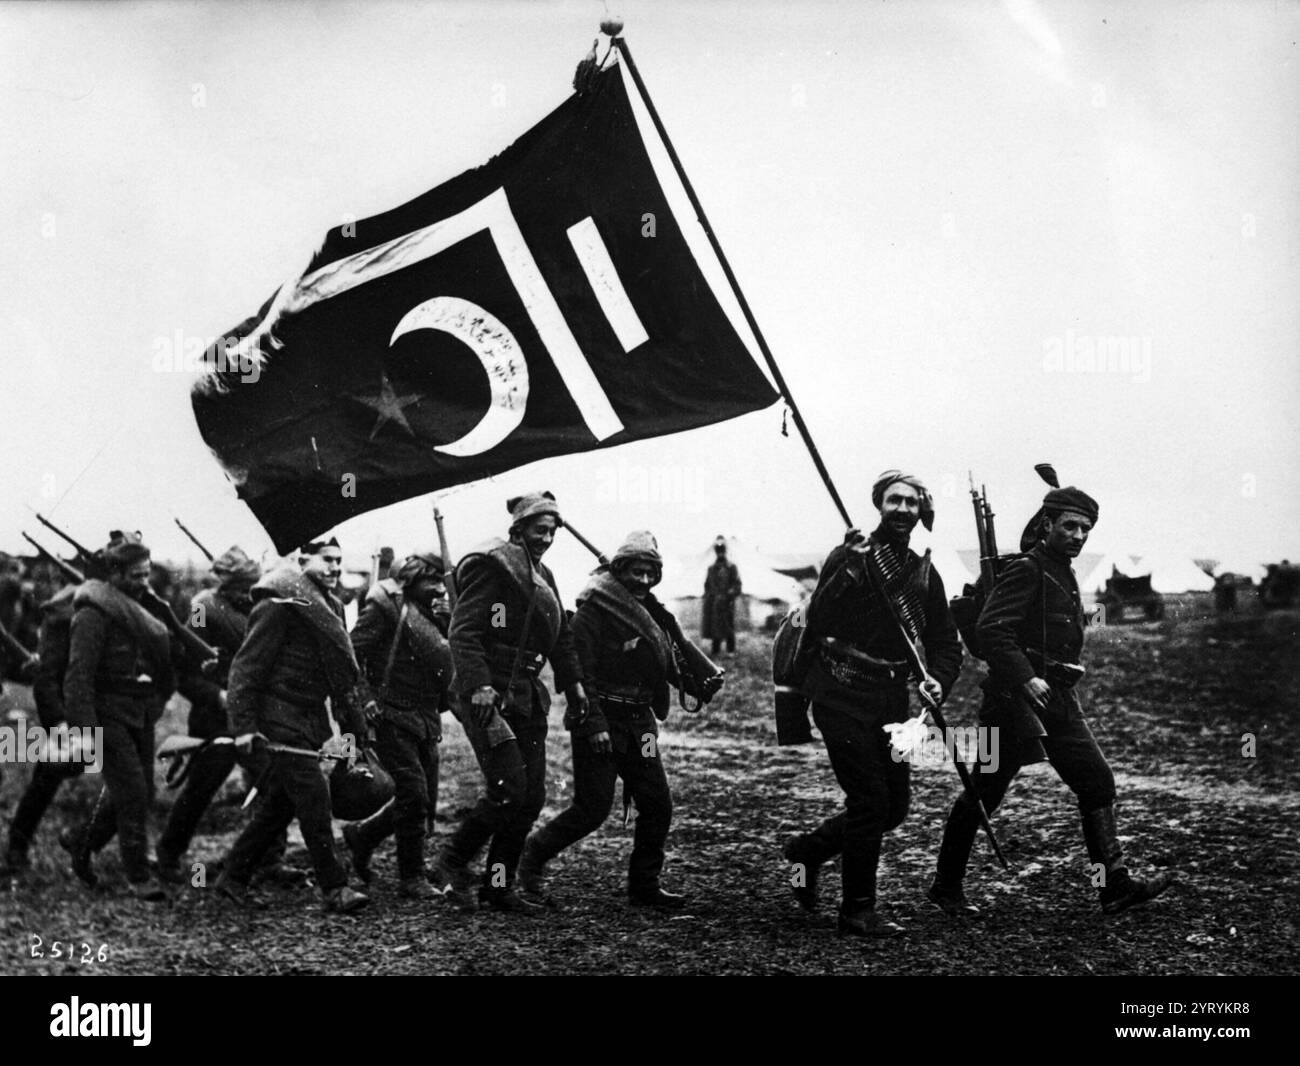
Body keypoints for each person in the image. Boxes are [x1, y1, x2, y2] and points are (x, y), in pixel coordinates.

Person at [928, 486, 1174, 917]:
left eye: (1085, 528)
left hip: (1058, 700)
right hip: (1010, 704)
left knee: (1096, 782)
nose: (1079, 535)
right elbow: (991, 631)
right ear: (1047, 525)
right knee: (984, 792)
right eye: (1070, 526)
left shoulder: (1061, 569)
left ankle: (1112, 885)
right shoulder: (1029, 569)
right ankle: (945, 887)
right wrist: (1025, 679)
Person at [783, 471, 962, 938]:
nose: (903, 509)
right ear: (879, 505)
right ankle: (857, 909)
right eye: (894, 500)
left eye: (912, 503)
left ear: (922, 511)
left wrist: (939, 680)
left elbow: (945, 641)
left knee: (894, 808)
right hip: (840, 692)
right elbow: (817, 617)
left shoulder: (925, 572)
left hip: (892, 700)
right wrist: (849, 570)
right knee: (869, 801)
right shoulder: (852, 554)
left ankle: (809, 850)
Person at [519, 531, 723, 910]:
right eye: (636, 572)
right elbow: (579, 674)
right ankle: (530, 857)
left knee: (657, 803)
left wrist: (696, 680)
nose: (644, 581)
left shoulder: (653, 614)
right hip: (602, 723)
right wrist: (594, 725)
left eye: (651, 573)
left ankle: (644, 886)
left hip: (640, 725)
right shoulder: (593, 610)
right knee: (591, 810)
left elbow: (665, 658)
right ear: (620, 571)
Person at [433, 492, 587, 914]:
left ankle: (498, 886)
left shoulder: (545, 577)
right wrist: (480, 685)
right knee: (508, 791)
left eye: (554, 531)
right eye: (540, 530)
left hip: (527, 697)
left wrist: (573, 684)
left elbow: (563, 636)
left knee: (531, 797)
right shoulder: (493, 567)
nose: (548, 538)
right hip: (490, 697)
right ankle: (449, 863)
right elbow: (463, 631)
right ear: (518, 529)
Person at [215, 538, 371, 914]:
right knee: (314, 799)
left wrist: (356, 728)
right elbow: (246, 668)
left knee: (281, 804)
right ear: (302, 558)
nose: (335, 567)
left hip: (306, 718)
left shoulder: (325, 603)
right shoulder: (278, 602)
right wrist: (244, 728)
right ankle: (335, 888)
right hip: (278, 718)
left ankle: (232, 876)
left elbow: (338, 673)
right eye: (327, 560)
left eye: (339, 560)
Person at [153, 547, 303, 887]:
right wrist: (218, 696)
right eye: (246, 585)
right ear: (229, 584)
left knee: (271, 782)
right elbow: (185, 673)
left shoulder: (263, 604)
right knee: (202, 789)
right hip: (215, 716)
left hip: (255, 716)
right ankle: (168, 856)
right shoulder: (203, 609)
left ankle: (270, 860)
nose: (253, 590)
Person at [58, 534, 175, 901]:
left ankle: (81, 841)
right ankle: (138, 875)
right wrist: (85, 734)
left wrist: (157, 700)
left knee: (142, 790)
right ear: (114, 574)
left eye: (146, 575)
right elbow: (77, 677)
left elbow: (160, 660)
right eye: (136, 576)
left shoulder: (140, 609)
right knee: (133, 791)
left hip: (139, 711)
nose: (144, 583)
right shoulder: (92, 614)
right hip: (106, 713)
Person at [342, 552, 453, 899]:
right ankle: (412, 877)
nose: (437, 588)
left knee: (422, 797)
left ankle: (362, 836)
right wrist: (366, 699)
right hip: (389, 714)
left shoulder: (435, 613)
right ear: (410, 580)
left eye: (440, 581)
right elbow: (350, 653)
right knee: (414, 793)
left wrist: (449, 622)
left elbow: (446, 657)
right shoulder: (384, 607)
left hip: (424, 715)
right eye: (429, 581)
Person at [2, 583, 79, 873]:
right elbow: (47, 678)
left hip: (113, 708)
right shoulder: (66, 608)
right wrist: (59, 721)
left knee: (131, 782)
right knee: (50, 773)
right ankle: (17, 846)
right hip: (69, 709)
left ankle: (90, 840)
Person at [701, 536, 742, 656]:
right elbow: (707, 585)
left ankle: (730, 650)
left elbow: (737, 585)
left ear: (725, 551)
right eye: (718, 551)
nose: (720, 553)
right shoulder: (711, 568)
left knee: (728, 625)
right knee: (714, 626)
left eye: (722, 550)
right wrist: (709, 597)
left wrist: (730, 593)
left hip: (727, 602)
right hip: (714, 602)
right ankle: (715, 649)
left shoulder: (731, 567)